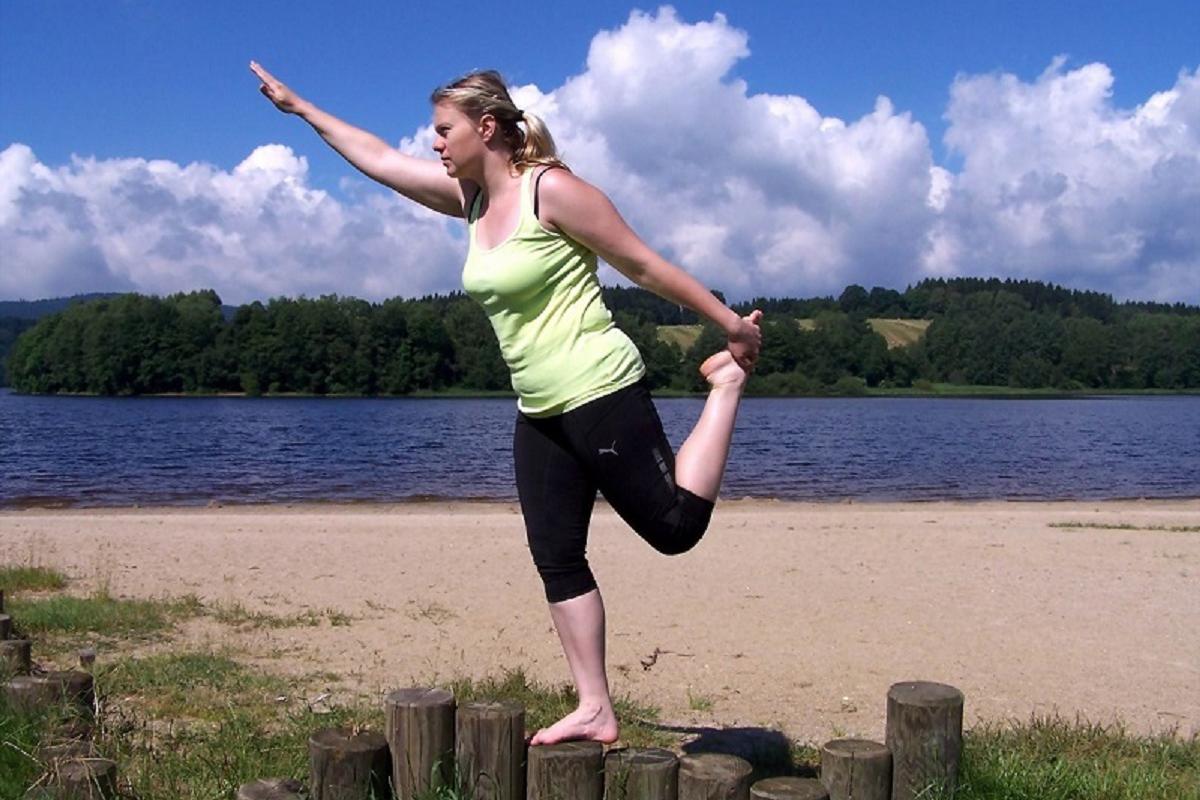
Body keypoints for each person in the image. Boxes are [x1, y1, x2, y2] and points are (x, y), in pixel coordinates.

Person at [250, 62, 763, 745]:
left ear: (484, 127)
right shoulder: (466, 201)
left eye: (443, 129)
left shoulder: (553, 191)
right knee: (555, 555)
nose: (433, 142)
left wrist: (728, 324)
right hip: (539, 411)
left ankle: (723, 388)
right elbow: (377, 160)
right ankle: (594, 706)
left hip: (601, 389)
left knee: (674, 529)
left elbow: (643, 264)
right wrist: (302, 108)